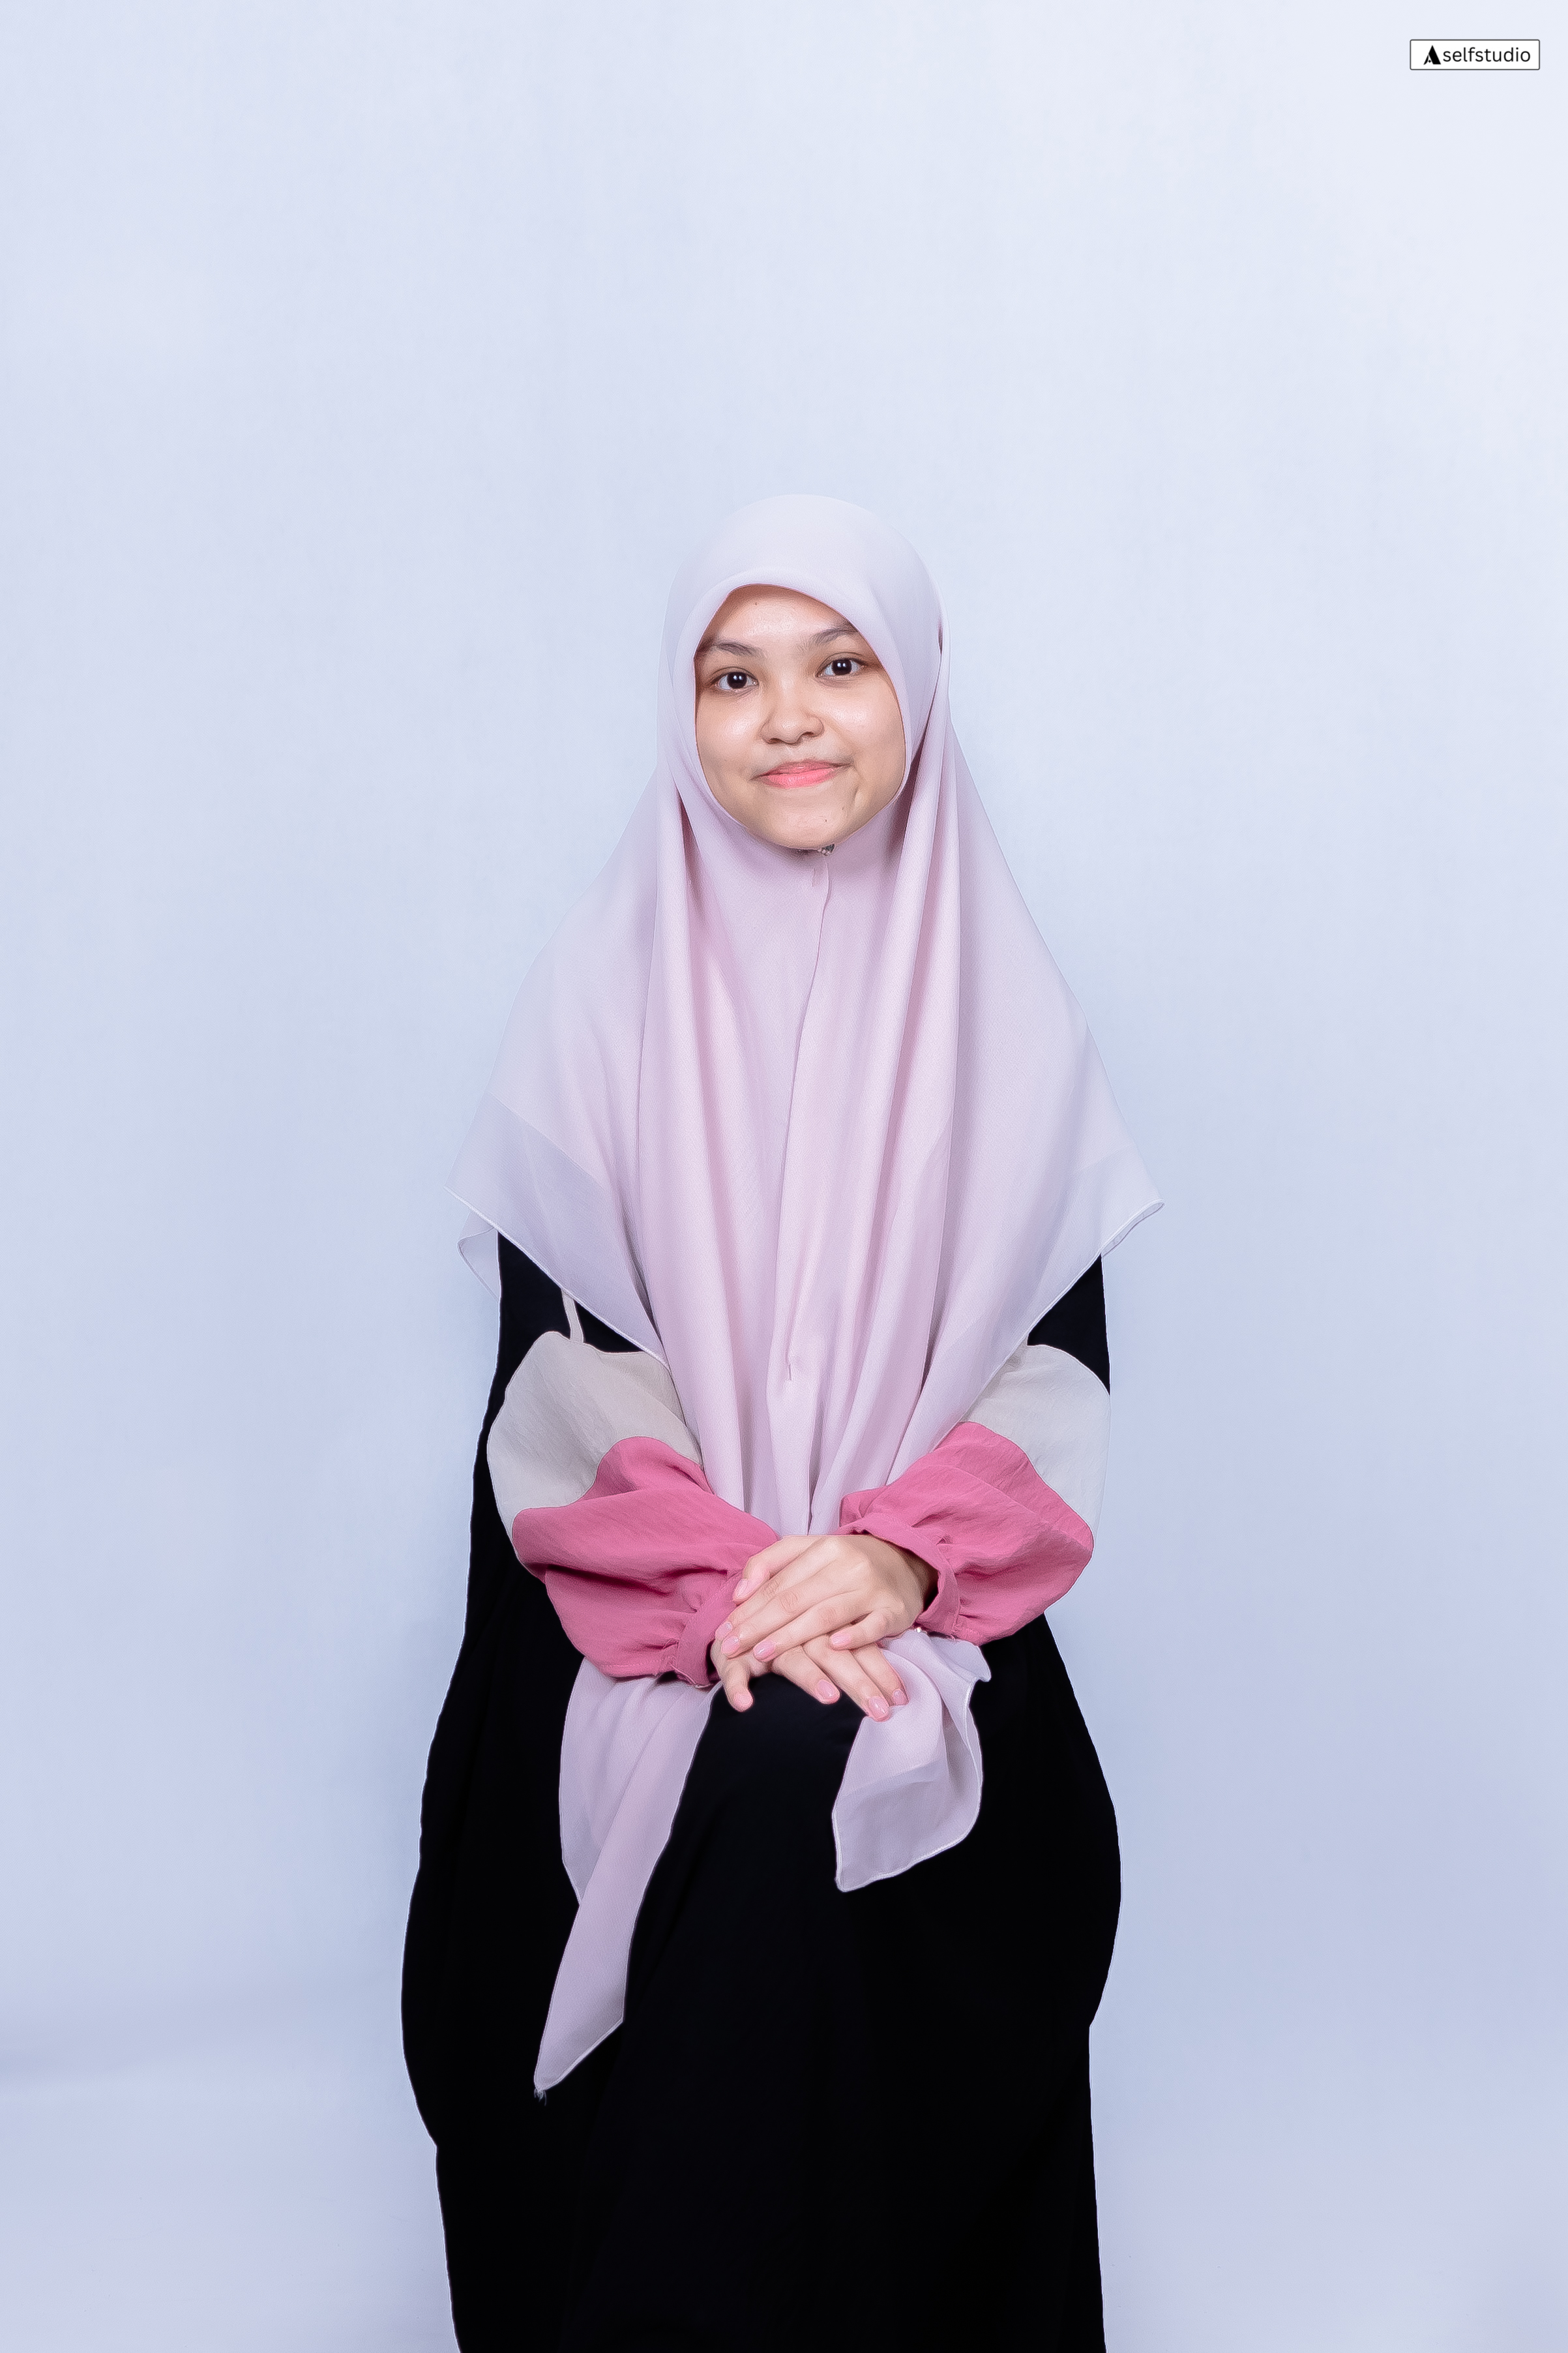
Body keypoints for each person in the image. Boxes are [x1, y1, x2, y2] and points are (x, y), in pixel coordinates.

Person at [402, 495, 1159, 2351]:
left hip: (925, 1610)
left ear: (918, 696)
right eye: (733, 678)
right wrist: (746, 1593)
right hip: (636, 1610)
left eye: (839, 665)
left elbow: (1051, 1373)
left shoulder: (1007, 1018)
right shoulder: (602, 1000)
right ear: (684, 718)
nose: (789, 718)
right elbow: (557, 1380)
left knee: (828, 1775)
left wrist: (895, 1560)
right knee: (762, 1774)